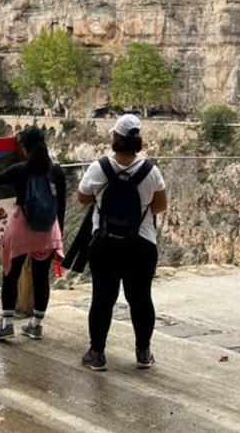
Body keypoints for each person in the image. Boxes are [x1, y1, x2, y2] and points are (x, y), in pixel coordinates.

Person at [76, 114, 168, 371]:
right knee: (140, 298)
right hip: (141, 243)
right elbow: (160, 206)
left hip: (105, 243)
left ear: (115, 137)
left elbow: (82, 199)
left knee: (102, 298)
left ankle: (97, 353)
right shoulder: (151, 172)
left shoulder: (99, 168)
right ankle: (143, 352)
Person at [0, 126, 66, 342]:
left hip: (23, 229)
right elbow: (60, 205)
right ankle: (36, 325)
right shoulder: (56, 171)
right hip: (49, 231)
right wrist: (59, 233)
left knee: (10, 276)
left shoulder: (20, 170)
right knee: (41, 277)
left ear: (24, 148)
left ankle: (6, 324)